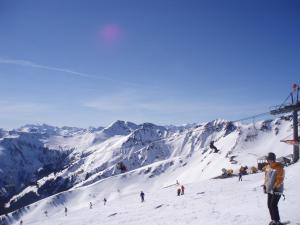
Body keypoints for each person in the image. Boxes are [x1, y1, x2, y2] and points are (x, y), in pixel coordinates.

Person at [263, 152, 285, 225]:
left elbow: (280, 178)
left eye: (270, 159)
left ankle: (277, 221)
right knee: (269, 205)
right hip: (270, 189)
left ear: (273, 159)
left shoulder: (279, 167)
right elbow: (266, 178)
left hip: (277, 189)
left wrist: (276, 186)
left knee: (273, 205)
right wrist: (265, 186)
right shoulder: (268, 167)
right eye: (268, 159)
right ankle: (273, 220)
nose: (268, 161)